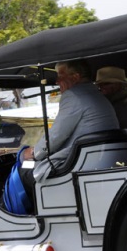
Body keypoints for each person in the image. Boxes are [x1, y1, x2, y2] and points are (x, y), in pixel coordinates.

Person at [19, 60, 118, 199]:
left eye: (61, 75)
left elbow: (56, 136)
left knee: (23, 169)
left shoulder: (73, 96)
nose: (57, 81)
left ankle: (31, 215)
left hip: (78, 164)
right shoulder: (98, 95)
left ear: (75, 77)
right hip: (99, 158)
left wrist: (34, 152)